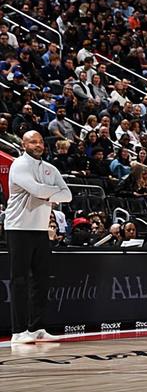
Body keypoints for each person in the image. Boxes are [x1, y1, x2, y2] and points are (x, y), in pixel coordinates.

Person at [5, 131, 72, 344]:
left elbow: (68, 195)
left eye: (41, 141)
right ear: (24, 144)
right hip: (18, 228)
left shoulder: (50, 168)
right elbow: (36, 190)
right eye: (33, 142)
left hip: (40, 229)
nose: (38, 145)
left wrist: (46, 192)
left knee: (41, 281)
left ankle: (36, 328)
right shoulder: (19, 165)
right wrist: (51, 192)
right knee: (20, 280)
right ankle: (18, 331)